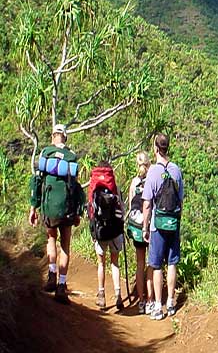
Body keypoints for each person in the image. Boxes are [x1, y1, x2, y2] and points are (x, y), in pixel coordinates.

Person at [29, 123, 84, 304]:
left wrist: (33, 207)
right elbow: (76, 188)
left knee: (51, 239)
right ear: (65, 137)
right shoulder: (71, 156)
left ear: (53, 136)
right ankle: (61, 286)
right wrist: (78, 212)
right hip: (67, 209)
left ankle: (52, 275)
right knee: (65, 245)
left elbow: (37, 181)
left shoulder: (45, 153)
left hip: (49, 207)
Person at [142, 133, 184, 320]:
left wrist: (145, 227)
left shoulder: (152, 172)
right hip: (173, 223)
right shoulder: (176, 170)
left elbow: (147, 204)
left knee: (157, 265)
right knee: (172, 263)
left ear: (156, 148)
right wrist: (177, 222)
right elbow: (181, 201)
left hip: (157, 225)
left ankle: (158, 306)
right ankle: (171, 302)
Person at [88, 160, 125, 311]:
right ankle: (118, 295)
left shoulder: (94, 186)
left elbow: (90, 210)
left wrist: (93, 232)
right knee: (114, 263)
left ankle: (102, 296)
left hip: (100, 231)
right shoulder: (114, 186)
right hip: (115, 230)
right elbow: (121, 209)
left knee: (101, 263)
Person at [127, 152, 154, 315]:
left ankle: (141, 300)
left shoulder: (134, 183)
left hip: (136, 226)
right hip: (149, 225)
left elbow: (131, 205)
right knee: (151, 263)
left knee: (139, 263)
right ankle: (151, 300)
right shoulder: (151, 181)